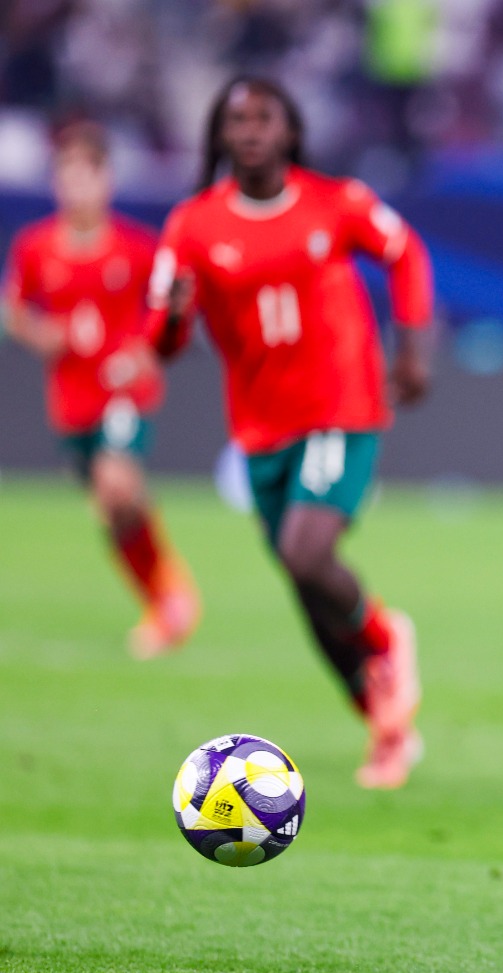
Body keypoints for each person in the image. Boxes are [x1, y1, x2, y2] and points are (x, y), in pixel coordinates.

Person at [147, 77, 434, 789]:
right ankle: (386, 727)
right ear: (219, 135)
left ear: (290, 132)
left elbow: (406, 253)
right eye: (236, 119)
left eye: (264, 118)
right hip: (261, 426)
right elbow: (161, 342)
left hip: (339, 403)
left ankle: (386, 638)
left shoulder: (337, 202)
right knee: (306, 588)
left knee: (308, 556)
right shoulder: (192, 226)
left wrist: (412, 350)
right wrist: (173, 317)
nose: (250, 130)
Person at [2, 120, 199, 658]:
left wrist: (145, 354)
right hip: (72, 398)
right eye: (67, 175)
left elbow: (171, 309)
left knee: (116, 484)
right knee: (114, 509)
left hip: (123, 391)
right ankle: (165, 594)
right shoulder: (36, 247)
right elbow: (15, 312)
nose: (77, 187)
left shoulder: (135, 249)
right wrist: (42, 334)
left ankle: (169, 603)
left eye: (87, 175)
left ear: (106, 180)